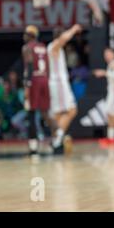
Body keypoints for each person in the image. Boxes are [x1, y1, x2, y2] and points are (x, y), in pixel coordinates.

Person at [47, 24, 81, 154]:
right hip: (59, 84)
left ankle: (56, 139)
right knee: (72, 110)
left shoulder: (55, 48)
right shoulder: (54, 46)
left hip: (56, 83)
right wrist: (73, 29)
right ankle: (56, 141)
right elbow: (63, 39)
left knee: (59, 115)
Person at [22, 25, 51, 156]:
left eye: (26, 33)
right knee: (46, 113)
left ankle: (33, 147)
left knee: (31, 113)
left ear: (31, 35)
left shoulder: (27, 47)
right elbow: (48, 67)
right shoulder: (44, 47)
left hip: (34, 81)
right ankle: (55, 139)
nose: (24, 35)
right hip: (44, 79)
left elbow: (28, 66)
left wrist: (27, 87)